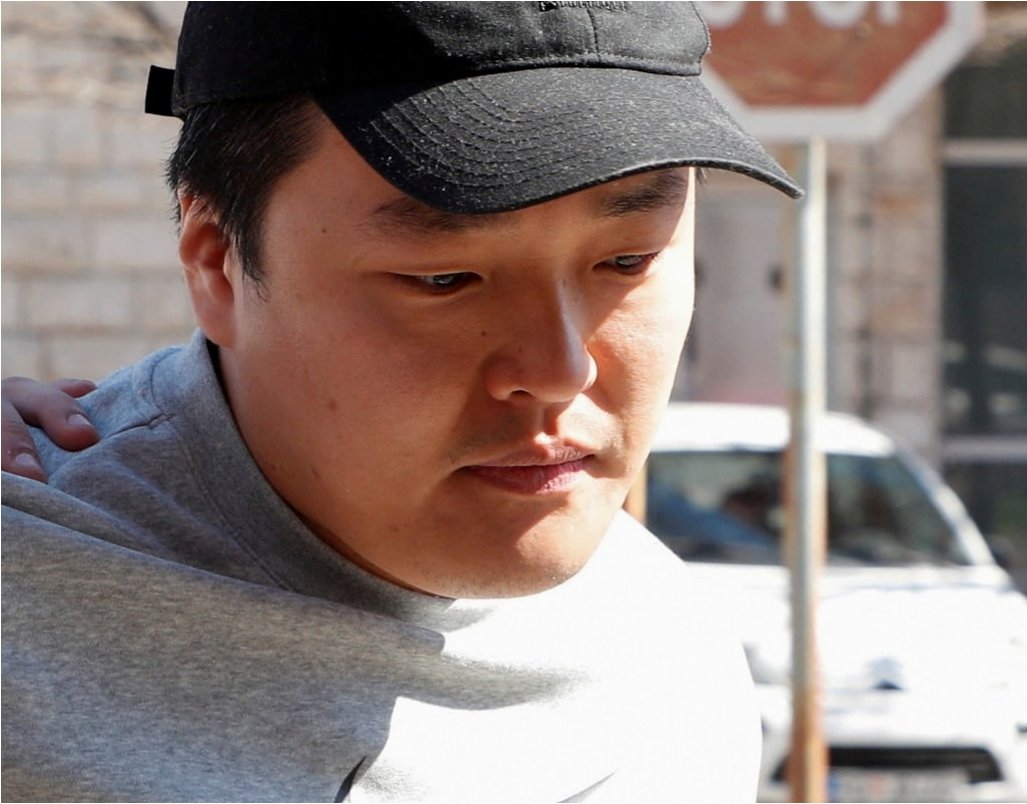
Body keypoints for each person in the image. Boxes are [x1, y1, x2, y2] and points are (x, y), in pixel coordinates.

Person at [1, 3, 800, 800]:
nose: (559, 370)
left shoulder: (671, 661)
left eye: (628, 262)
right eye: (444, 279)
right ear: (217, 263)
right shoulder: (27, 614)